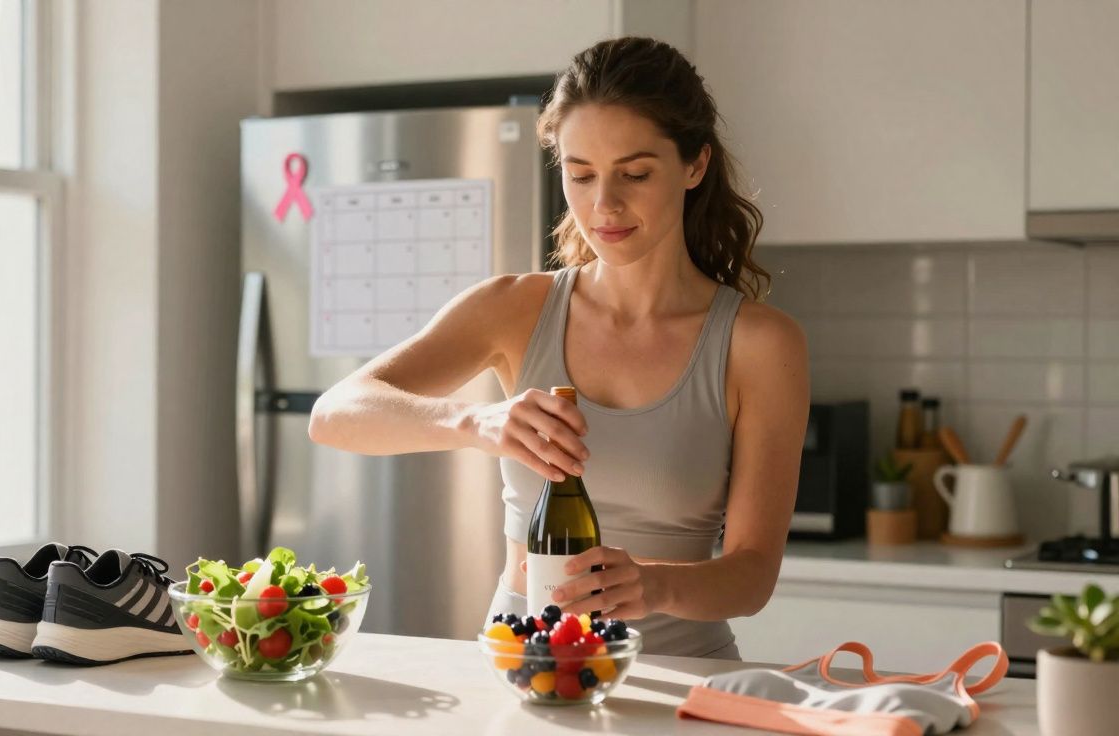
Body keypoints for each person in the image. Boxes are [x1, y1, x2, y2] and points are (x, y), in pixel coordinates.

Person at [308, 36, 809, 658]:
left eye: (635, 173)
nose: (604, 205)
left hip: (682, 682)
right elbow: (335, 415)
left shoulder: (759, 344)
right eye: (580, 174)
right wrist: (476, 421)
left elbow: (752, 574)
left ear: (695, 165)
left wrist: (652, 586)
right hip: (523, 669)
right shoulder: (515, 309)